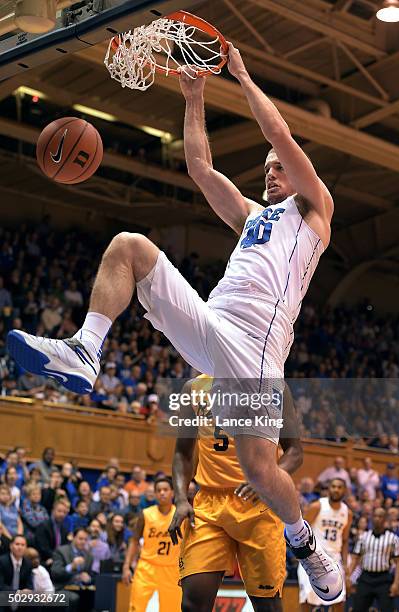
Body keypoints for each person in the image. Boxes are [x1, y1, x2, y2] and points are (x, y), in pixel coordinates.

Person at [7, 42, 341, 600]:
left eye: (278, 169)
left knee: (259, 470)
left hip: (257, 348)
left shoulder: (316, 209)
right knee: (128, 246)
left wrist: (240, 73)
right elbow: (199, 167)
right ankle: (87, 349)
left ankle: (303, 542)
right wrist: (194, 95)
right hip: (211, 326)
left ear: (300, 173)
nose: (270, 172)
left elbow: (281, 138)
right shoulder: (254, 218)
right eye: (265, 170)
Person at [169, 374, 303, 612]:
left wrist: (267, 479)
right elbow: (183, 453)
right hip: (209, 504)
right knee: (192, 603)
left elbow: (294, 452)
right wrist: (180, 499)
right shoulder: (194, 387)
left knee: (267, 605)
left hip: (258, 504)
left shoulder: (274, 387)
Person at [122, 477, 181, 612]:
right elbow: (134, 541)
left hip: (171, 569)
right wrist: (126, 566)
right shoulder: (145, 514)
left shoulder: (180, 515)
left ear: (172, 492)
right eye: (158, 490)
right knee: (136, 607)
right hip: (147, 567)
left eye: (165, 490)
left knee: (172, 609)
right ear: (154, 494)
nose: (162, 493)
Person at [297, 478, 352, 611]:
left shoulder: (347, 512)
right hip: (313, 556)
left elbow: (344, 541)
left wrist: (346, 566)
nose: (336, 489)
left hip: (334, 559)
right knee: (308, 599)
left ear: (344, 490)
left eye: (339, 487)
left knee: (339, 599)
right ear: (328, 489)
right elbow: (301, 530)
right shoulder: (317, 506)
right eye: (333, 486)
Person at [348, 507, 399, 612]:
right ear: (372, 518)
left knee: (388, 609)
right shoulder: (363, 537)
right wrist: (348, 577)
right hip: (366, 578)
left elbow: (398, 562)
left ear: (385, 519)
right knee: (357, 609)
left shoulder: (393, 538)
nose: (377, 518)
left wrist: (396, 583)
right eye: (375, 516)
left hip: (384, 579)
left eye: (380, 516)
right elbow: (355, 558)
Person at [51, 527, 95, 612]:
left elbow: (93, 576)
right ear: (73, 538)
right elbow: (55, 573)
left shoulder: (89, 556)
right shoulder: (61, 551)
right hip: (62, 588)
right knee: (73, 598)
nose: (83, 542)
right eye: (80, 539)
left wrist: (88, 578)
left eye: (85, 539)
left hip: (82, 589)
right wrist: (71, 567)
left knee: (96, 597)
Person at [0, 535, 33, 611]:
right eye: (17, 544)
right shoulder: (2, 561)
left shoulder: (28, 563)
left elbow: (29, 585)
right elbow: (1, 585)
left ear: (26, 548)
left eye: (23, 545)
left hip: (20, 599)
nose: (20, 547)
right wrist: (17, 592)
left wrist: (28, 591)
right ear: (11, 546)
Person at [35, 500, 69, 566]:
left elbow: (65, 547)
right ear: (53, 511)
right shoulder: (43, 526)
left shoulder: (64, 530)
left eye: (64, 512)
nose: (62, 514)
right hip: (44, 559)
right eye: (59, 511)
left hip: (58, 559)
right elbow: (43, 548)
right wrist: (57, 557)